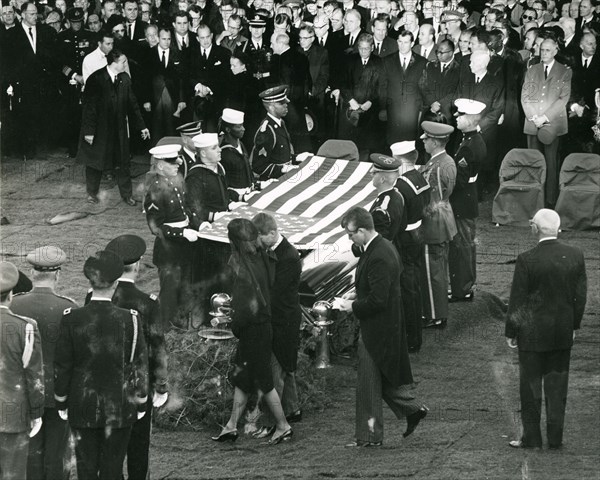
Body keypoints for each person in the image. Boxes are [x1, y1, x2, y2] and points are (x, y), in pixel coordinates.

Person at [336, 207, 428, 447]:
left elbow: (378, 300)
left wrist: (351, 307)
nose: (350, 238)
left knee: (367, 383)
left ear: (364, 230)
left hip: (378, 328)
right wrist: (359, 291)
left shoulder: (378, 254)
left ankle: (369, 437)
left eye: (351, 234)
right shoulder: (381, 247)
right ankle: (412, 410)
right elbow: (378, 287)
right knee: (380, 378)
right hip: (384, 326)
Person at [54, 250, 149, 480]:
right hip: (119, 405)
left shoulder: (71, 318)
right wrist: (142, 400)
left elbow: (63, 366)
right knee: (113, 468)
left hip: (82, 404)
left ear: (90, 281)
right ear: (116, 283)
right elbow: (139, 365)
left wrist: (61, 401)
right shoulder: (131, 319)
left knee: (86, 469)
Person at [506, 209, 587, 449]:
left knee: (530, 388)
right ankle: (555, 439)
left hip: (531, 334)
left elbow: (517, 299)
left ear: (535, 228)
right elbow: (579, 297)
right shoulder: (576, 255)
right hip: (561, 331)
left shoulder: (526, 259)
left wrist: (512, 331)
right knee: (557, 387)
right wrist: (573, 325)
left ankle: (531, 438)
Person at [211, 218, 293, 445]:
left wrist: (236, 327)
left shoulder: (243, 268)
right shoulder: (263, 257)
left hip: (252, 330)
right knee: (242, 379)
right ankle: (230, 426)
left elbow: (244, 310)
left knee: (264, 382)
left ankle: (283, 426)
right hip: (261, 327)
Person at [96, 235, 168, 480]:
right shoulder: (147, 303)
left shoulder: (96, 298)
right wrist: (161, 384)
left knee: (110, 447)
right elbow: (157, 346)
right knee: (138, 446)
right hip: (139, 383)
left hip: (105, 383)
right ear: (137, 265)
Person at [9, 246, 78, 480]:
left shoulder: (13, 306)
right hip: (60, 393)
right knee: (58, 456)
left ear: (32, 271)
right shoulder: (69, 307)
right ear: (57, 274)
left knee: (30, 455)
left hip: (24, 393)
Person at [251, 213, 303, 438]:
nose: (257, 243)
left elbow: (275, 292)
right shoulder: (271, 250)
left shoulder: (289, 257)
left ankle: (272, 421)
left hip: (282, 320)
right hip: (280, 317)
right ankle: (292, 409)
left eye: (260, 238)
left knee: (275, 372)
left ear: (272, 233)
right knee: (286, 365)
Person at [79, 48, 150, 205]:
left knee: (123, 162)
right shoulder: (96, 79)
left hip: (118, 129)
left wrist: (142, 126)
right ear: (113, 63)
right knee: (95, 162)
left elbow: (133, 104)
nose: (126, 64)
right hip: (99, 129)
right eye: (123, 61)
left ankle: (127, 195)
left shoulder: (125, 79)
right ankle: (92, 193)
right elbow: (89, 108)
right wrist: (89, 132)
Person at [144, 144, 199, 328]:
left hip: (184, 245)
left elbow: (185, 209)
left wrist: (197, 222)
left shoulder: (175, 182)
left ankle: (180, 323)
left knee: (184, 286)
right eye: (171, 162)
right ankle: (162, 327)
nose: (177, 164)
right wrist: (181, 232)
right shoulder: (156, 190)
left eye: (176, 160)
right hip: (168, 249)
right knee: (169, 292)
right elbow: (155, 227)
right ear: (160, 166)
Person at [0, 261, 44, 480]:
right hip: (14, 415)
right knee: (13, 473)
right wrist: (36, 412)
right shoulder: (25, 327)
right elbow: (34, 374)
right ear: (10, 296)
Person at [521, 38, 572, 207]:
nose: (544, 53)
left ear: (556, 51)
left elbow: (563, 99)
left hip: (553, 124)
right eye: (542, 49)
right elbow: (525, 97)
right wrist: (534, 117)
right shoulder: (531, 70)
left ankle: (550, 201)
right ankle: (534, 200)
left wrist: (545, 117)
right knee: (533, 161)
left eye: (548, 50)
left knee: (550, 163)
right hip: (533, 122)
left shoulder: (564, 71)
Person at [391, 141, 430, 353]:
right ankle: (415, 335)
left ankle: (410, 338)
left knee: (407, 288)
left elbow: (397, 217)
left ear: (398, 160)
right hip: (417, 234)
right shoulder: (419, 177)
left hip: (405, 238)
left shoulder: (401, 185)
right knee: (413, 284)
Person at [419, 121, 456, 330]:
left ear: (434, 141)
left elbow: (433, 198)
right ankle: (437, 312)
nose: (423, 142)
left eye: (426, 139)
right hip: (442, 220)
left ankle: (435, 315)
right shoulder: (442, 162)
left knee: (433, 271)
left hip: (433, 223)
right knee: (438, 270)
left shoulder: (438, 166)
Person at [448, 99, 486, 303]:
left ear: (471, 120)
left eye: (460, 115)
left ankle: (461, 290)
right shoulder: (471, 140)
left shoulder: (468, 147)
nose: (456, 117)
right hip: (467, 201)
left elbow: (460, 181)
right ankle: (465, 287)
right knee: (466, 246)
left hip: (461, 202)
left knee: (461, 248)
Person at [379, 30, 427, 143]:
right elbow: (382, 86)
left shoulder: (422, 62)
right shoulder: (387, 60)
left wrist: (420, 109)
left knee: (410, 144)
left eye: (406, 42)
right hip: (392, 110)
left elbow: (424, 87)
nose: (402, 45)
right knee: (392, 143)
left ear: (412, 43)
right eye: (400, 42)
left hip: (412, 111)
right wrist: (383, 108)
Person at [141, 27, 187, 144]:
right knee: (156, 127)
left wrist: (182, 99)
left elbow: (181, 79)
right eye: (163, 39)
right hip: (154, 96)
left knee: (171, 126)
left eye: (169, 39)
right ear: (158, 38)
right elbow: (145, 79)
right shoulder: (148, 53)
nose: (166, 42)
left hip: (172, 95)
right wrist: (146, 100)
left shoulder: (177, 54)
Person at [252, 85, 299, 180]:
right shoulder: (267, 130)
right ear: (271, 107)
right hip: (273, 182)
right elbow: (259, 166)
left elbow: (280, 156)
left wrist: (297, 157)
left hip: (285, 178)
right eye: (281, 103)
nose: (286, 105)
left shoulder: (281, 123)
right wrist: (283, 169)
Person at [368, 153, 407, 249]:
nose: (370, 173)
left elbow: (376, 244)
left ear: (382, 179)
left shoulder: (381, 209)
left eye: (375, 172)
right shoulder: (398, 195)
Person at [219, 108, 255, 192]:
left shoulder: (240, 144)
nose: (243, 129)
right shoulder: (224, 153)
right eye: (238, 126)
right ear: (228, 129)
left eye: (242, 125)